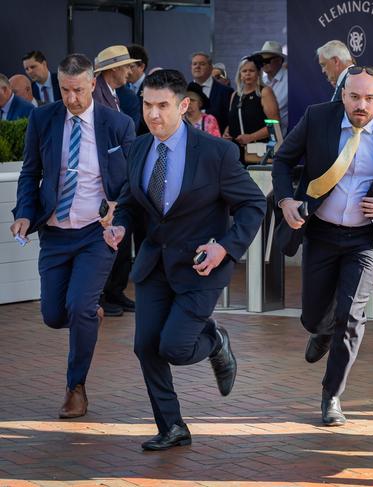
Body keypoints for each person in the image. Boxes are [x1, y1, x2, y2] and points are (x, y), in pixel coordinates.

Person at [103, 69, 266, 451]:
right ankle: (172, 426)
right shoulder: (139, 148)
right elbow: (129, 203)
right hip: (153, 264)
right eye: (147, 104)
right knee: (146, 346)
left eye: (162, 106)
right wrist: (120, 227)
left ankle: (215, 341)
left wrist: (226, 246)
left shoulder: (216, 152)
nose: (153, 114)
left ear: (184, 105)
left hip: (200, 266)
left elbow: (253, 204)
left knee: (174, 348)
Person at [272, 66, 373, 427]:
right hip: (322, 232)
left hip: (366, 238)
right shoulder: (317, 118)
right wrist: (285, 201)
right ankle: (321, 330)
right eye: (355, 96)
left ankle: (332, 395)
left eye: (370, 98)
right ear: (342, 94)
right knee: (314, 315)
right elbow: (283, 161)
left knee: (352, 315)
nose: (362, 104)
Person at [10, 53, 135, 418]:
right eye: (65, 90)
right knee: (52, 314)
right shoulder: (42, 118)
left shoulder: (118, 124)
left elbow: (130, 182)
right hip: (54, 232)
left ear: (93, 84)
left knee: (79, 305)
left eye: (78, 90)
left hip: (96, 234)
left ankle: (75, 387)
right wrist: (23, 214)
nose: (72, 98)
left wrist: (118, 208)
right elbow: (29, 173)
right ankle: (85, 316)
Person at [93, 45, 141, 317]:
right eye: (125, 66)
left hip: (119, 181)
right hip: (107, 184)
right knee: (109, 239)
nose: (129, 71)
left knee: (122, 239)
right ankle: (102, 295)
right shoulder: (99, 97)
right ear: (112, 69)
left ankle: (114, 292)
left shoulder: (114, 95)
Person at [224, 56, 280, 163]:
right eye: (244, 71)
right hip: (235, 151)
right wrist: (227, 132)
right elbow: (233, 119)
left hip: (257, 151)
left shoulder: (264, 92)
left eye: (251, 70)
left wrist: (250, 137)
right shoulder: (235, 95)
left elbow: (274, 124)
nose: (247, 74)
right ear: (240, 74)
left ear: (258, 73)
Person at [191, 52, 234, 134]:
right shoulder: (184, 92)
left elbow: (231, 120)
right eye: (194, 64)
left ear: (210, 68)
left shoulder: (226, 92)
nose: (197, 67)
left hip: (218, 142)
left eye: (202, 64)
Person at [254, 41, 288, 135]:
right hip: (262, 136)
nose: (264, 63)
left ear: (279, 60)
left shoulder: (291, 81)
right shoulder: (261, 81)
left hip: (284, 137)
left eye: (267, 60)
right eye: (262, 60)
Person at [93, 45, 138, 112]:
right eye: (127, 66)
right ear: (114, 67)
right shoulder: (95, 93)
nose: (130, 72)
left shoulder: (110, 90)